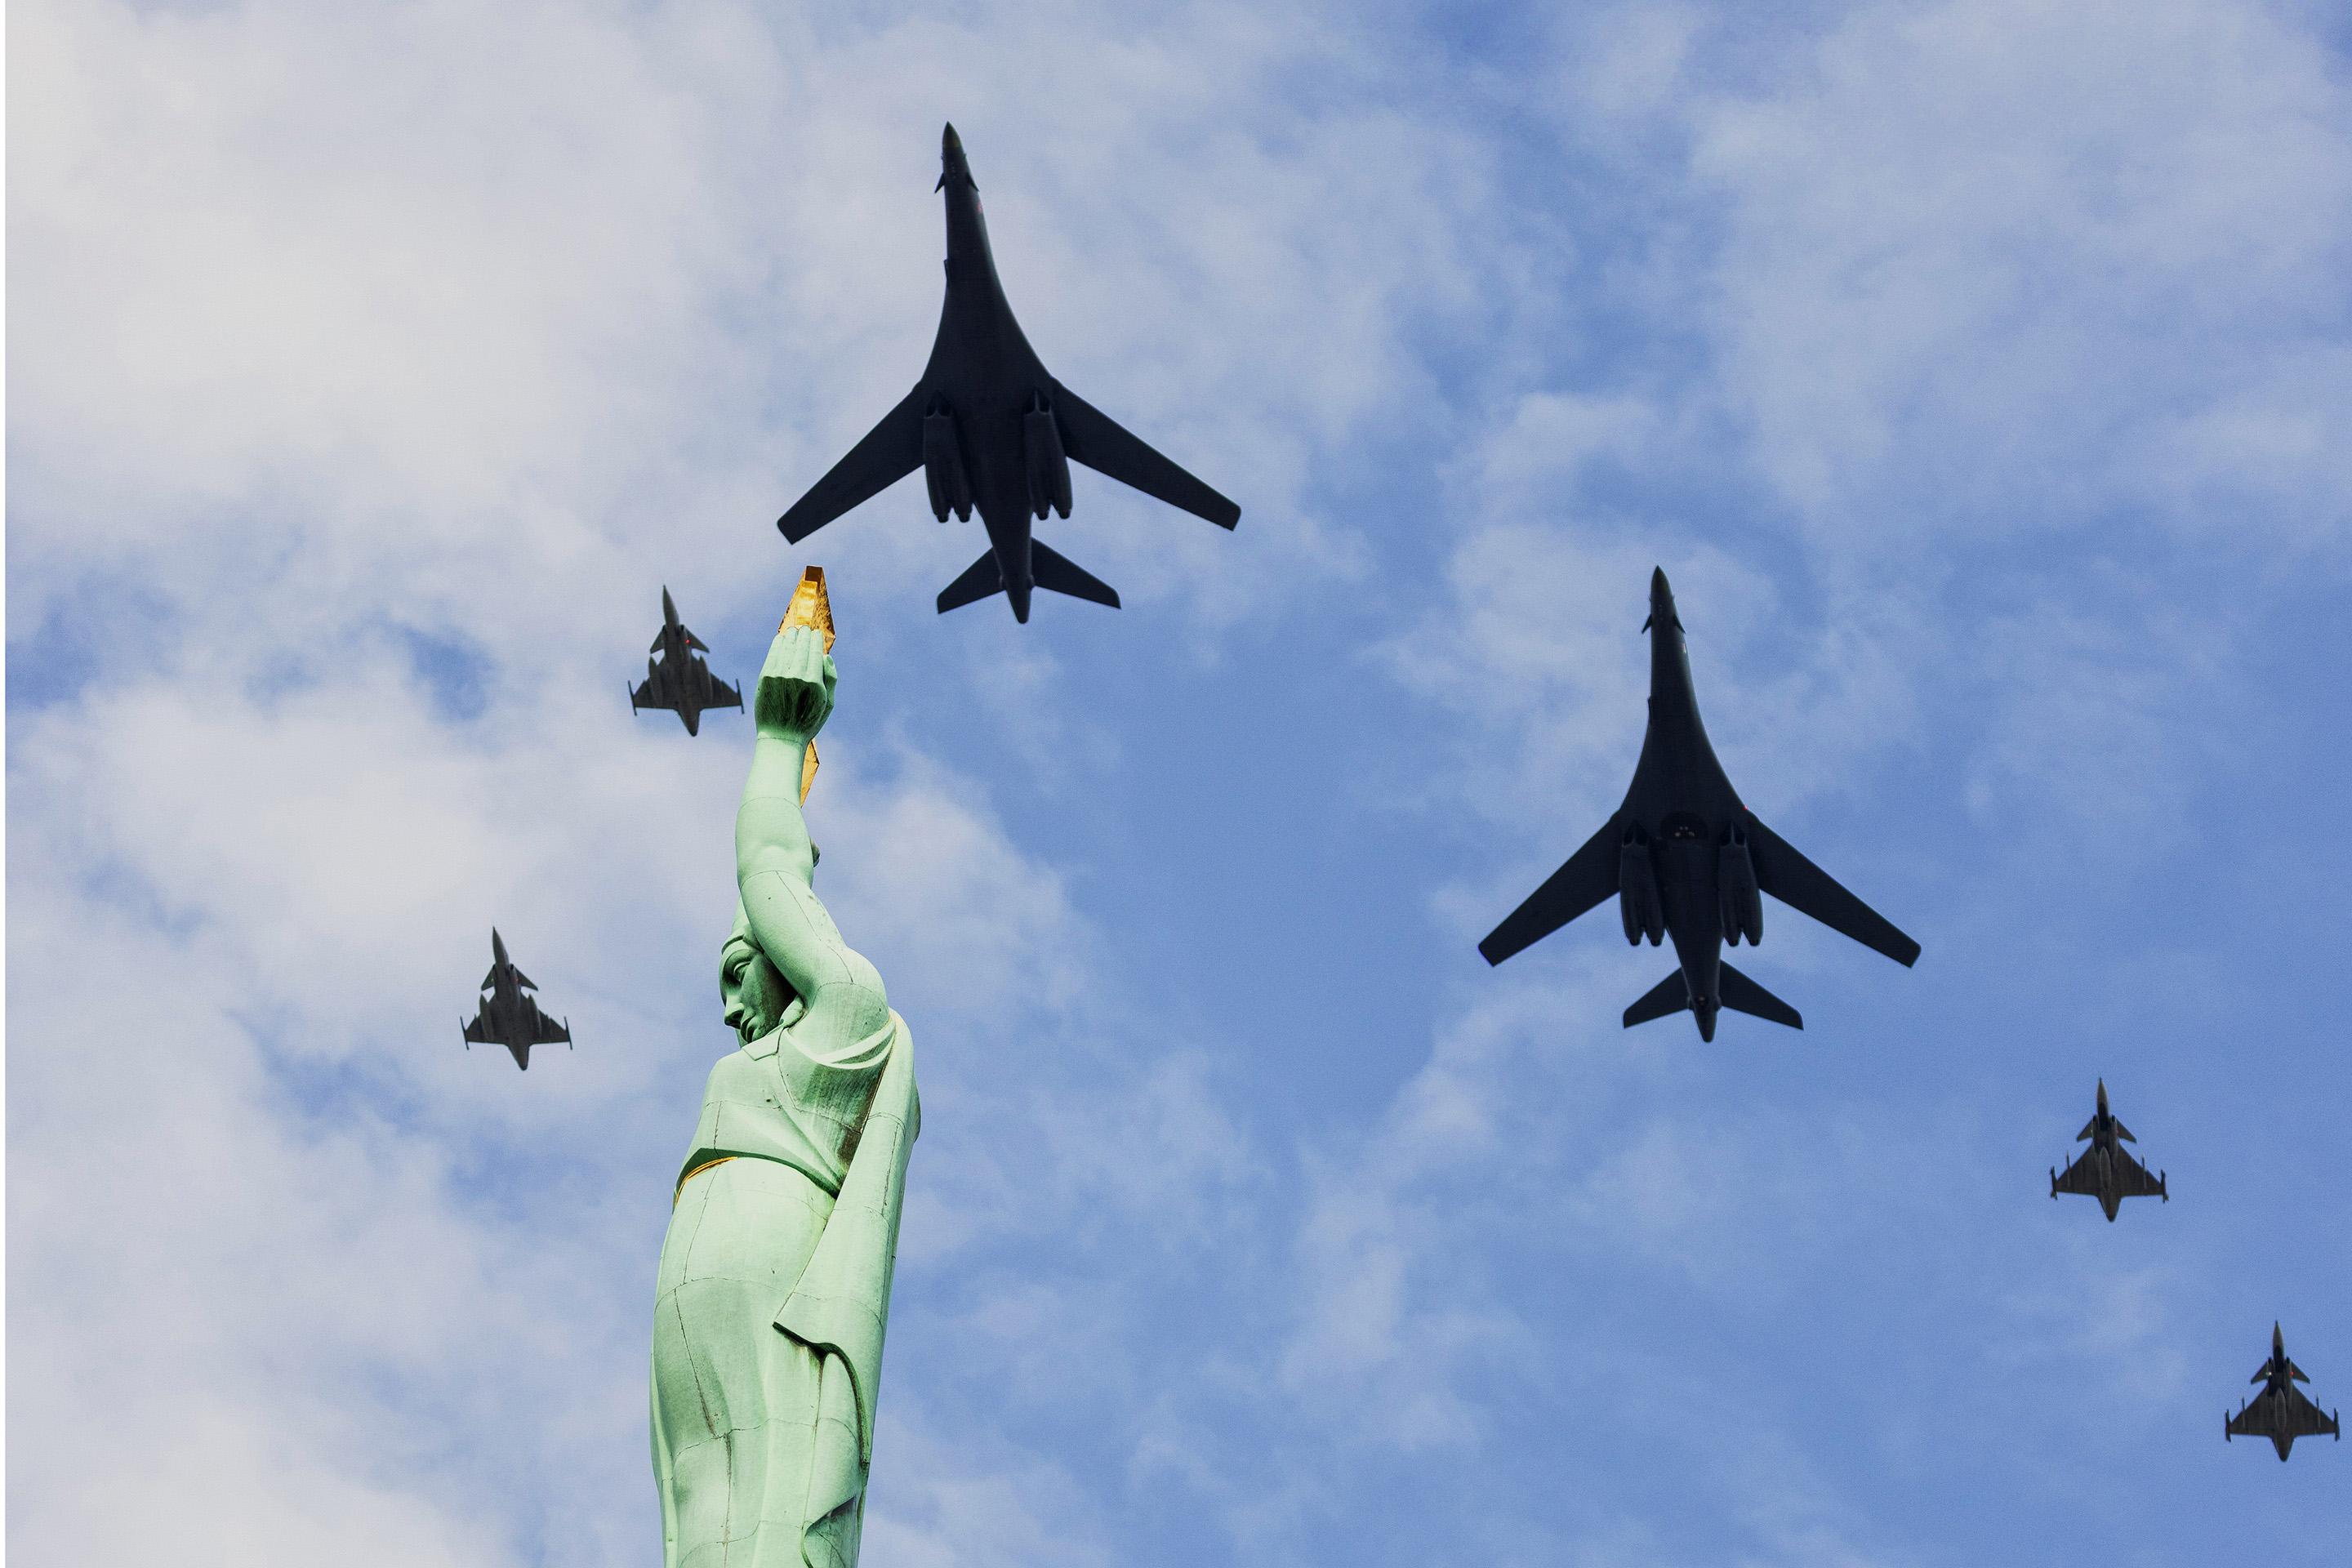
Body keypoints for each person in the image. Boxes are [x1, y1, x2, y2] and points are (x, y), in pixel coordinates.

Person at [651, 622, 920, 1568]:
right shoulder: (781, 1062)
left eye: (739, 966)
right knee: (702, 1510)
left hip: (778, 1269)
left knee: (771, 1497)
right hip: (707, 1264)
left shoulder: (846, 1026)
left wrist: (776, 743)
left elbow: (768, 868)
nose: (727, 998)